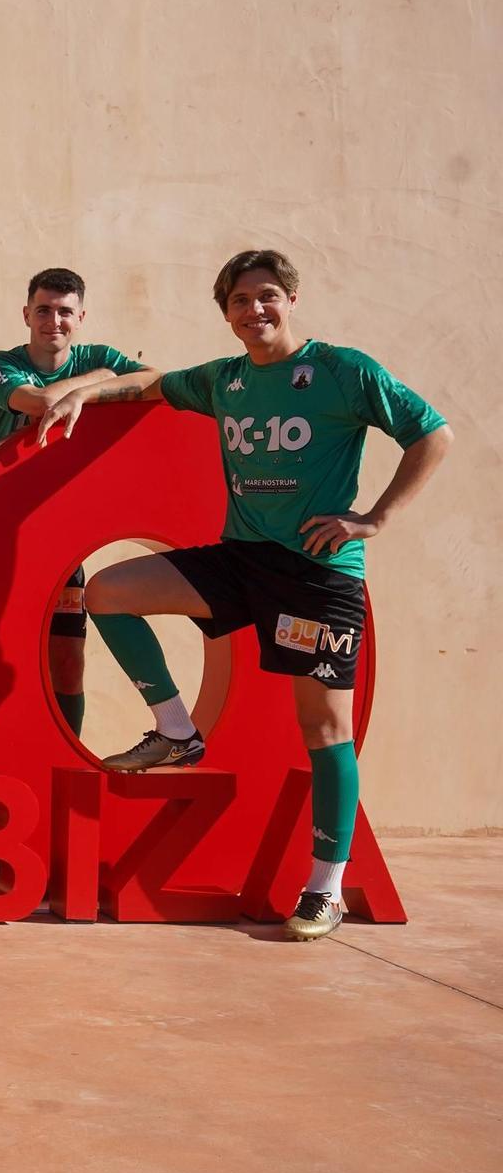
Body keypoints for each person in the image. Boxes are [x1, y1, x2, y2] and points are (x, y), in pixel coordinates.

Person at [43, 250, 452, 941]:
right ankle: (176, 731)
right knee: (108, 592)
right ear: (226, 312)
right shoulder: (226, 380)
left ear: (291, 299)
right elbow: (153, 384)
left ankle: (325, 887)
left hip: (317, 576)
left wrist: (373, 517)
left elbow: (432, 435)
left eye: (266, 296)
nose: (253, 310)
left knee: (323, 729)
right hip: (240, 562)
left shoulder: (341, 370)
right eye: (239, 300)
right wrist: (89, 390)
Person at [0, 267, 158, 734]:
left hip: (61, 534)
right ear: (26, 314)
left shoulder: (98, 356)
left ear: (81, 316)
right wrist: (100, 379)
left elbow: (157, 379)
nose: (52, 320)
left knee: (67, 658)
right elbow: (38, 403)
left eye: (63, 312)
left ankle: (62, 766)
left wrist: (89, 388)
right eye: (43, 310)